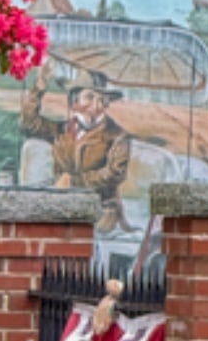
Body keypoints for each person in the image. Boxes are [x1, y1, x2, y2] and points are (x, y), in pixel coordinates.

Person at [21, 70, 132, 237]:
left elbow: (115, 173)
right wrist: (38, 89)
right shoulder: (62, 130)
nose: (97, 105)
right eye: (90, 97)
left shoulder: (118, 136)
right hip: (62, 207)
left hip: (101, 214)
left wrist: (74, 181)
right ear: (74, 102)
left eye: (102, 99)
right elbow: (28, 124)